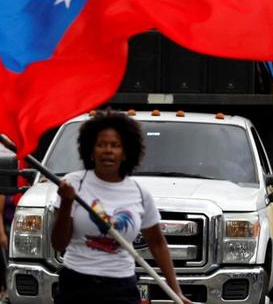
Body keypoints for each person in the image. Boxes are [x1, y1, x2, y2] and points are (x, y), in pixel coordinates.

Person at [50, 111, 189, 304]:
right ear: (91, 151)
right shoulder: (73, 184)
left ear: (125, 153)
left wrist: (177, 292)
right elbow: (58, 244)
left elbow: (158, 244)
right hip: (76, 285)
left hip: (121, 288)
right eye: (101, 145)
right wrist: (66, 203)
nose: (108, 150)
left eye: (115, 145)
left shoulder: (139, 193)